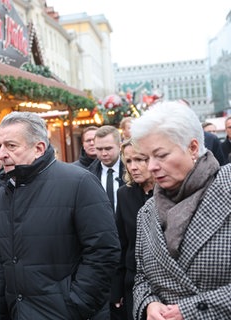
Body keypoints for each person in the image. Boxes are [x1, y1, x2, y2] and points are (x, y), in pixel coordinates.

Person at [0, 112, 120, 319]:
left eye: (11, 146)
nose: (1, 154)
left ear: (38, 148)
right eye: (0, 146)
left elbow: (103, 251)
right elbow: (2, 261)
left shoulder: (80, 182)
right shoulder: (7, 190)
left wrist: (74, 305)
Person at [131, 101, 231, 319]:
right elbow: (141, 278)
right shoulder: (146, 213)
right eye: (146, 158)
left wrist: (190, 311)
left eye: (161, 155)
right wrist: (148, 304)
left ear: (193, 147)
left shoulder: (228, 187)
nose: (151, 167)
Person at [111, 139, 155, 320]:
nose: (133, 167)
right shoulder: (124, 194)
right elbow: (121, 243)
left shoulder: (169, 191)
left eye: (139, 160)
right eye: (128, 161)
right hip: (133, 281)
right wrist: (116, 288)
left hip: (164, 283)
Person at [88, 125, 125, 211]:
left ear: (120, 146)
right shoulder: (89, 175)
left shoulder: (132, 171)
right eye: (99, 149)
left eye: (108, 148)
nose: (104, 153)